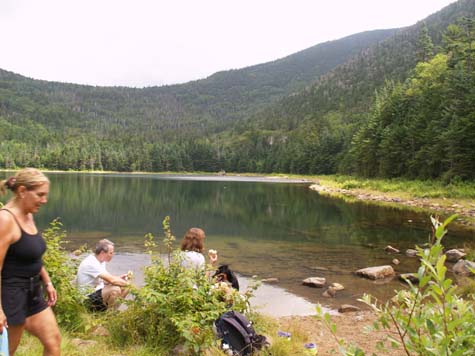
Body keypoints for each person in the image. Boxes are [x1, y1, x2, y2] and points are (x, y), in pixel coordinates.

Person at [0, 168, 61, 356]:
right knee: (7, 351)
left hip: (33, 293)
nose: (44, 200)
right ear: (22, 191)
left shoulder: (28, 215)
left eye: (46, 195)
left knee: (53, 342)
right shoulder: (5, 220)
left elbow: (32, 256)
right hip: (11, 296)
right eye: (40, 195)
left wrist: (48, 282)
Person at [76, 239, 129, 311]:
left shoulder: (100, 261)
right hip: (86, 299)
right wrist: (130, 285)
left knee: (125, 288)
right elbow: (112, 280)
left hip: (96, 292)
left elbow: (106, 280)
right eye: (111, 253)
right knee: (115, 289)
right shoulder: (91, 263)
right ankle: (109, 315)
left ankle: (111, 312)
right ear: (102, 253)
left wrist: (120, 278)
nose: (112, 255)